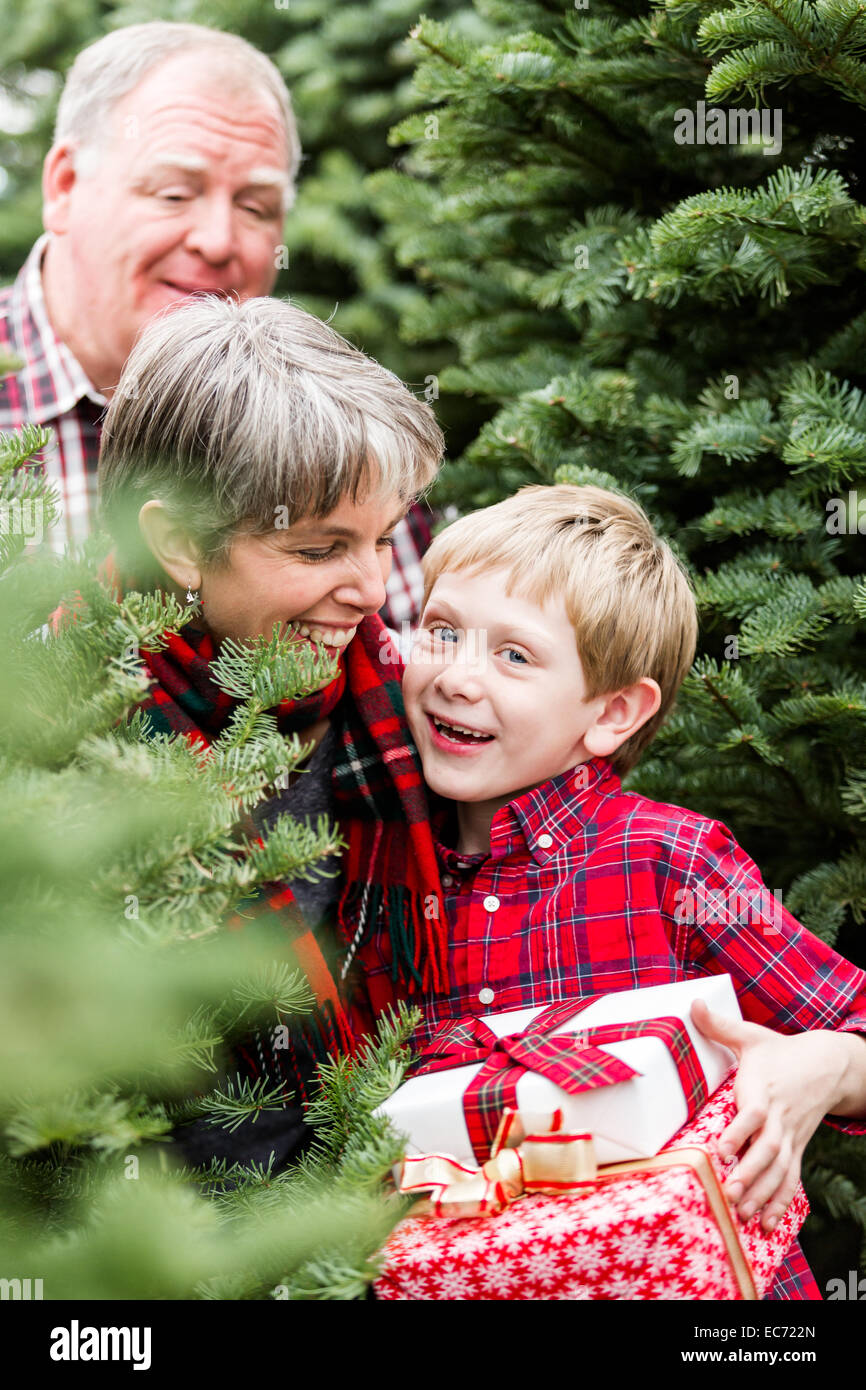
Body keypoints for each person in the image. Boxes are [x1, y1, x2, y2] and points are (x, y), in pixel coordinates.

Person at [353, 482, 866, 1299]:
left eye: (514, 656)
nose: (456, 676)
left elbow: (856, 1026)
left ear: (613, 712)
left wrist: (828, 1065)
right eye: (441, 632)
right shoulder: (381, 872)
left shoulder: (671, 862)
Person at [97, 293, 447, 1170]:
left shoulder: (404, 709)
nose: (371, 589)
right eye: (320, 551)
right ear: (179, 542)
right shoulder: (62, 738)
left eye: (384, 539)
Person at [0, 20, 430, 627]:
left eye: (255, 207)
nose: (217, 241)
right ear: (66, 186)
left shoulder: (333, 419)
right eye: (174, 194)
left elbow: (402, 660)